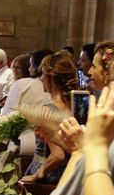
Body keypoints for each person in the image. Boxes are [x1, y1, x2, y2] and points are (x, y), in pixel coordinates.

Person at [21, 53, 75, 184]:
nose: (41, 79)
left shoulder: (48, 110)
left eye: (43, 74)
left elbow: (58, 155)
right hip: (71, 172)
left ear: (52, 78)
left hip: (49, 174)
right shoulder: (76, 105)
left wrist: (36, 175)